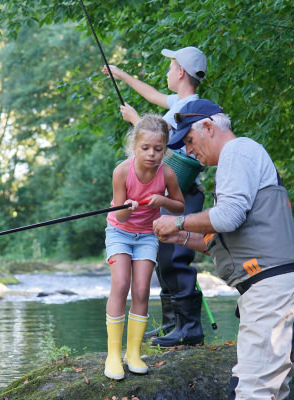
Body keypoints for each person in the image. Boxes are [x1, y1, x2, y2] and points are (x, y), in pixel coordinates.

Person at [152, 99, 294, 399]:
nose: (188, 151)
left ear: (209, 128)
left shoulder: (237, 152)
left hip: (272, 292)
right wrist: (181, 237)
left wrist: (178, 221)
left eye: (188, 140)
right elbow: (219, 238)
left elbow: (227, 217)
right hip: (274, 290)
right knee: (268, 391)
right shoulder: (238, 159)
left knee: (252, 392)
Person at [102, 46, 208, 346]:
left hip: (182, 194)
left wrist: (137, 123)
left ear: (180, 72)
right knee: (164, 259)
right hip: (167, 197)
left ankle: (188, 327)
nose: (166, 72)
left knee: (175, 260)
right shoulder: (180, 103)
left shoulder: (192, 111)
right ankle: (172, 323)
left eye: (170, 65)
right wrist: (121, 75)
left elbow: (164, 149)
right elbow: (151, 95)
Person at [104, 114, 185, 380]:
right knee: (120, 285)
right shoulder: (122, 172)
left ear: (165, 148)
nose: (151, 154)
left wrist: (162, 199)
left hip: (147, 236)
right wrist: (127, 206)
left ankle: (133, 353)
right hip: (120, 233)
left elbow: (180, 206)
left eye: (158, 149)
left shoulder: (167, 173)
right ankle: (113, 356)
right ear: (134, 146)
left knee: (141, 289)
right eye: (145, 148)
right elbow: (120, 216)